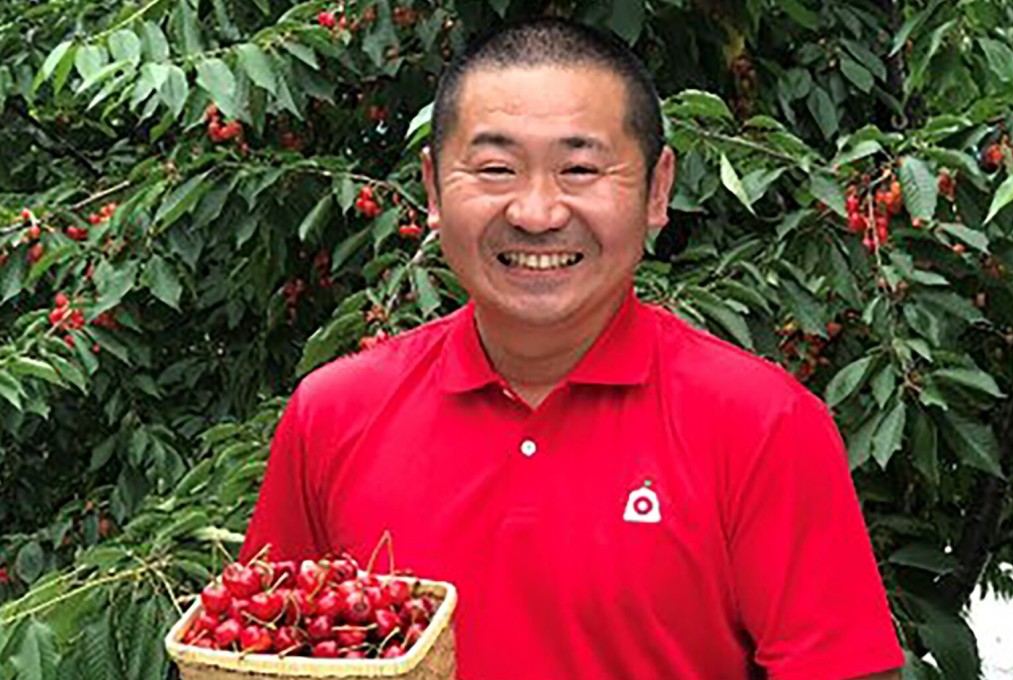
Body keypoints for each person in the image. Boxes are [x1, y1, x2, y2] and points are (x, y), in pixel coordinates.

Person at [241, 17, 905, 680]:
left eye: (580, 168)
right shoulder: (333, 414)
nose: (536, 212)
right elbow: (254, 652)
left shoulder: (764, 426)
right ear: (434, 190)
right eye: (496, 168)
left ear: (658, 189)